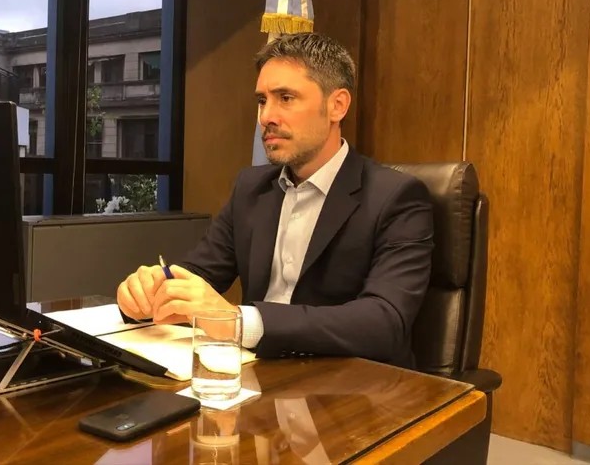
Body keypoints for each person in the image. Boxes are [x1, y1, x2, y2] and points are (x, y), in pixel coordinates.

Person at [117, 32, 433, 367]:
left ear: (337, 105)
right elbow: (198, 275)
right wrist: (147, 293)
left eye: (285, 98)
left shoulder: (396, 197)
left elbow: (384, 322)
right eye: (261, 101)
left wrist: (240, 322)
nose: (266, 116)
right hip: (256, 374)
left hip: (352, 384)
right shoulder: (251, 188)